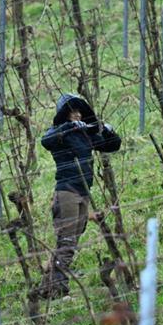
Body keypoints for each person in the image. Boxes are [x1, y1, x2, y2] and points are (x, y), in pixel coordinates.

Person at [38, 94, 121, 298]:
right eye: (71, 111)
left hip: (83, 192)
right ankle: (57, 290)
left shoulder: (85, 135)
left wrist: (107, 130)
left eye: (79, 110)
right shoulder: (59, 134)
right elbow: (46, 140)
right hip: (67, 191)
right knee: (66, 242)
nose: (76, 114)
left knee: (71, 241)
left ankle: (44, 286)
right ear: (64, 115)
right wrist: (69, 127)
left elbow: (111, 145)